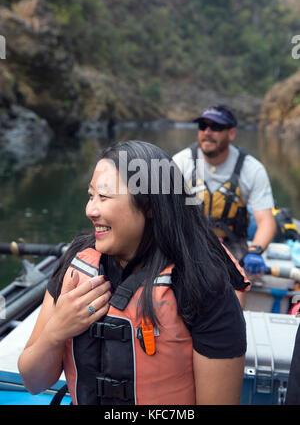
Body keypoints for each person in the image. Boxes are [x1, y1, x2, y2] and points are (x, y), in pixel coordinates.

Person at [18, 140, 250, 405]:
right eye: (91, 195)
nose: (90, 210)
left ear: (150, 205)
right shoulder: (77, 262)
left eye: (104, 197)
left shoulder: (202, 283)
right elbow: (34, 382)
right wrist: (56, 330)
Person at [172, 105, 277, 278]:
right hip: (190, 241)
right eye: (203, 126)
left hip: (233, 244)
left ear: (231, 133)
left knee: (234, 280)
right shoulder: (180, 163)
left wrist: (255, 251)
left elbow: (266, 221)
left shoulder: (252, 169)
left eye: (216, 127)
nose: (207, 132)